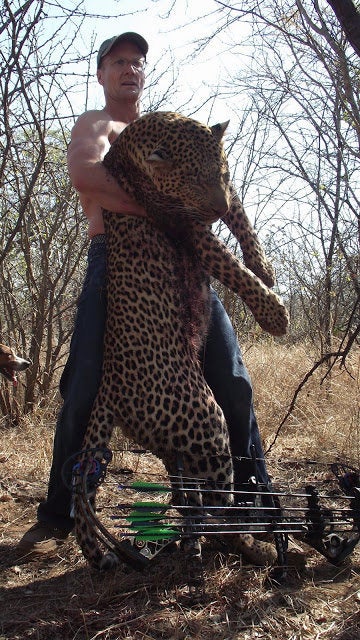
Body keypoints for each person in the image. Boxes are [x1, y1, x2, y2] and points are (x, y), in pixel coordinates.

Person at [17, 32, 271, 556]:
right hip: (118, 265)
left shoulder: (175, 132)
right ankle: (59, 511)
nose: (130, 69)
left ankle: (248, 505)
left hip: (186, 267)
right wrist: (165, 210)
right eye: (118, 62)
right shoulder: (97, 125)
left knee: (233, 382)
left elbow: (218, 191)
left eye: (137, 62)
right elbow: (86, 175)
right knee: (85, 381)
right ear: (102, 74)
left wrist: (244, 248)